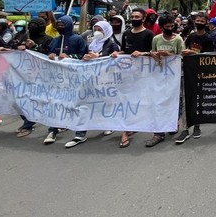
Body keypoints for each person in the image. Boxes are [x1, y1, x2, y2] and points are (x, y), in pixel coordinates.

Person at [64, 20, 120, 148]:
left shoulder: (111, 44)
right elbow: (82, 55)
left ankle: (107, 124)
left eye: (100, 29)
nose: (97, 32)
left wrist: (99, 56)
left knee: (103, 104)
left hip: (104, 81)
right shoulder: (91, 43)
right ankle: (80, 134)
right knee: (84, 105)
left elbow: (114, 59)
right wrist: (85, 57)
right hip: (88, 78)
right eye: (95, 29)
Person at [111, 8, 155, 148]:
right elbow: (124, 50)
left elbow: (153, 53)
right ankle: (125, 131)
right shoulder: (126, 34)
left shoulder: (149, 34)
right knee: (126, 101)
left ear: (143, 19)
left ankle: (137, 124)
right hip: (127, 73)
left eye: (137, 16)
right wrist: (117, 54)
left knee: (140, 101)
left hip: (143, 74)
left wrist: (142, 53)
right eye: (132, 16)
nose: (134, 18)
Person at [43, 16, 88, 145]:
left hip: (74, 78)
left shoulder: (78, 39)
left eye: (63, 25)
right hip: (58, 78)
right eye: (59, 25)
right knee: (55, 103)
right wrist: (50, 55)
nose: (60, 27)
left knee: (77, 105)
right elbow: (49, 52)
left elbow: (83, 55)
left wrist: (70, 57)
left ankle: (80, 133)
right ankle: (53, 129)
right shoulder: (56, 40)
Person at [175, 13, 216, 144]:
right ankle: (185, 129)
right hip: (188, 72)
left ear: (206, 23)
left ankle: (197, 126)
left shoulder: (208, 38)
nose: (198, 22)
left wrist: (193, 53)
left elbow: (209, 57)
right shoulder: (191, 36)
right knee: (185, 101)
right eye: (197, 20)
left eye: (201, 21)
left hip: (200, 73)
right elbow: (184, 50)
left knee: (198, 100)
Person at [145, 15, 184, 147]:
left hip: (174, 76)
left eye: (171, 26)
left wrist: (170, 55)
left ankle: (174, 121)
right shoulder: (156, 39)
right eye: (166, 27)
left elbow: (181, 56)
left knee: (174, 100)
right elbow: (152, 53)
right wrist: (154, 54)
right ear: (161, 27)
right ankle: (158, 133)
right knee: (158, 102)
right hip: (159, 75)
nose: (169, 28)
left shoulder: (178, 39)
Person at [14, 17, 54, 137]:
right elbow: (11, 48)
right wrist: (18, 47)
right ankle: (28, 119)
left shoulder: (48, 39)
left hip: (41, 75)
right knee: (17, 99)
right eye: (31, 24)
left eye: (35, 24)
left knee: (37, 99)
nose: (32, 26)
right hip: (23, 73)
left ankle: (29, 124)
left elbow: (49, 55)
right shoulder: (23, 36)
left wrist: (35, 47)